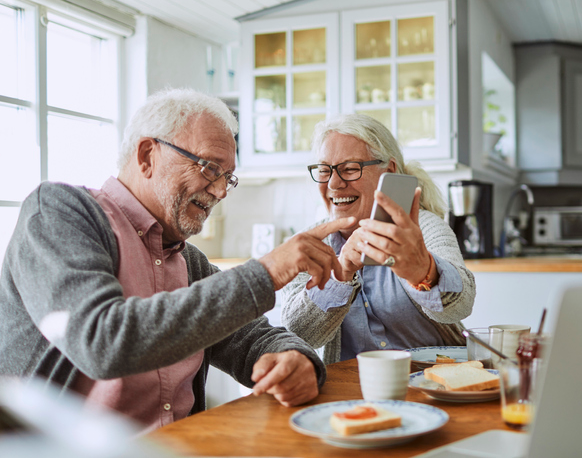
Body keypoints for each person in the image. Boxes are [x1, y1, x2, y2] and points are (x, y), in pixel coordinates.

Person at [0, 88, 355, 432]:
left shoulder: (189, 261)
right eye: (208, 168)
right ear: (146, 156)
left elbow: (254, 338)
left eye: (226, 178)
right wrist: (267, 271)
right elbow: (101, 342)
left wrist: (298, 361)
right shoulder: (58, 214)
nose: (218, 191)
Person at [281, 114, 475, 364]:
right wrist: (341, 273)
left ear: (390, 171)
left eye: (350, 169)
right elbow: (300, 334)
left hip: (434, 382)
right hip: (353, 389)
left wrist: (424, 272)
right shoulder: (308, 243)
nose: (334, 183)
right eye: (324, 171)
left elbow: (462, 303)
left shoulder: (424, 228)